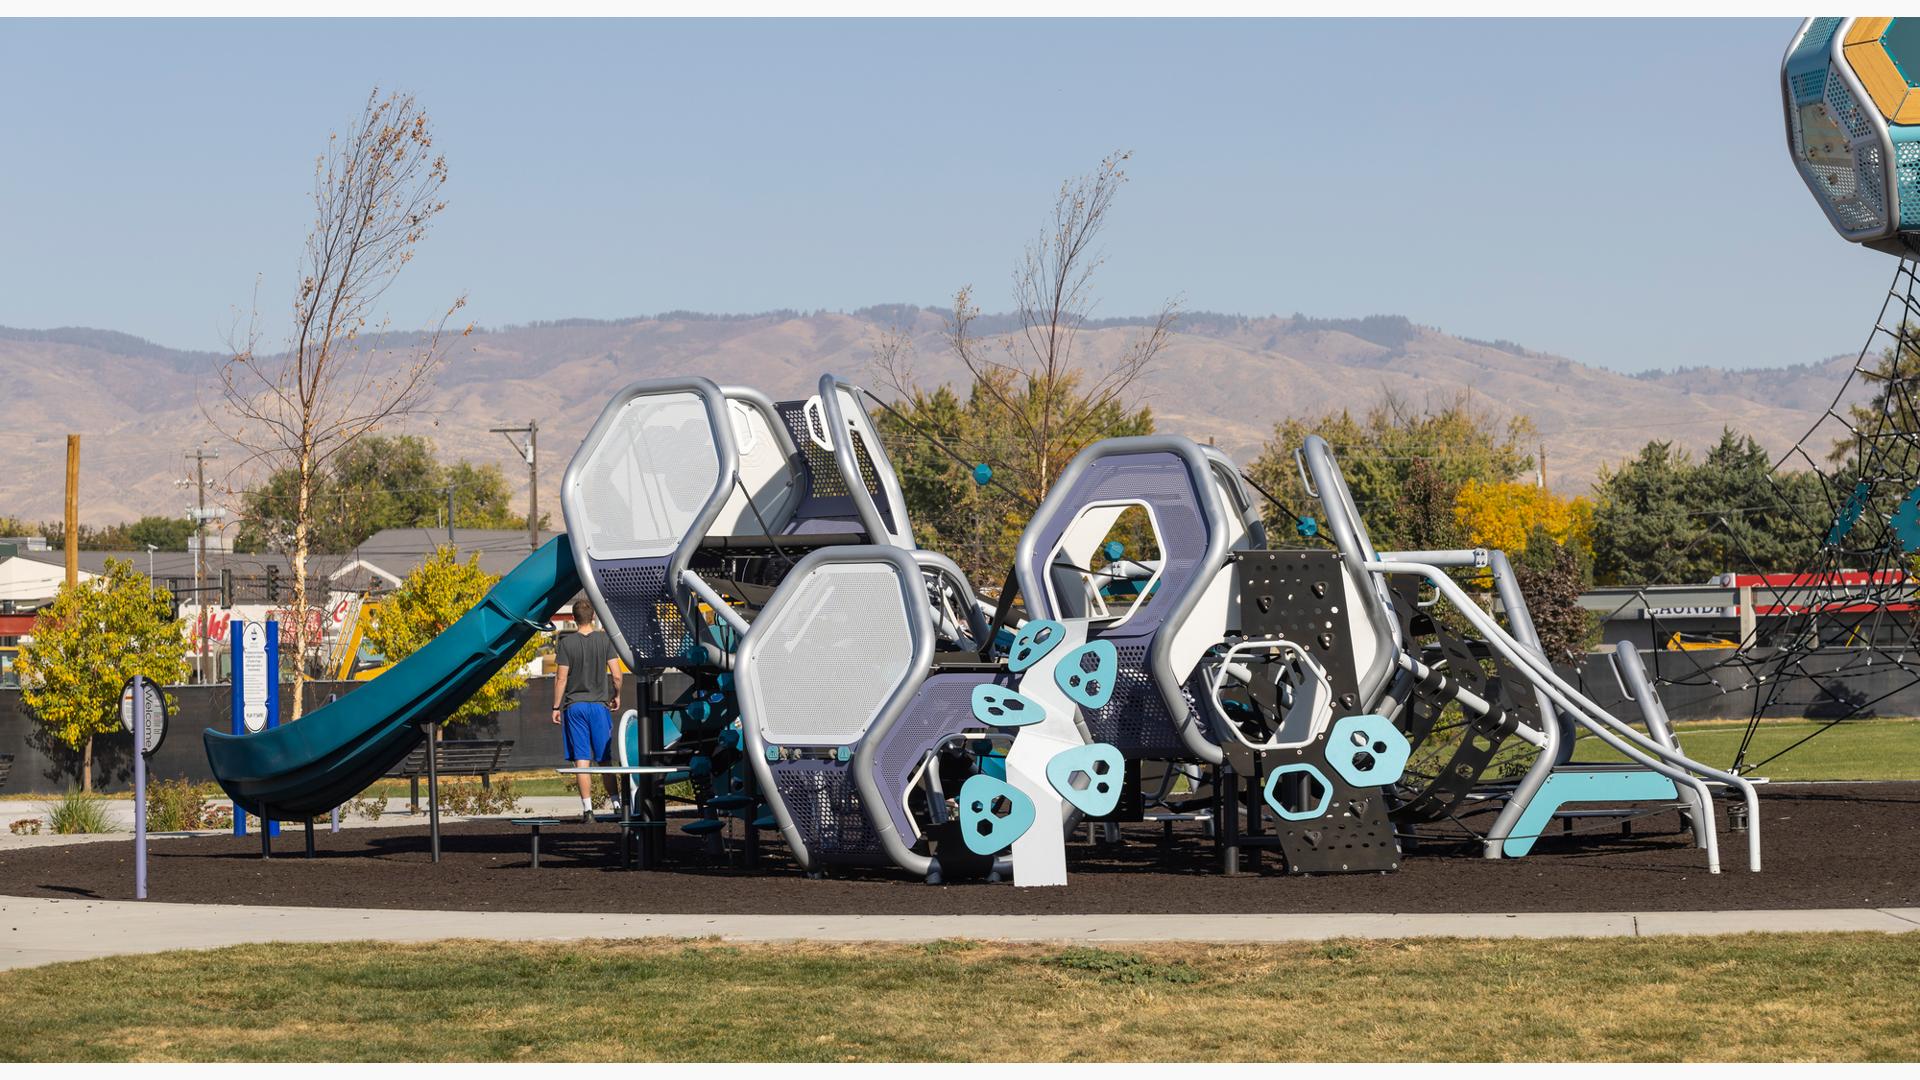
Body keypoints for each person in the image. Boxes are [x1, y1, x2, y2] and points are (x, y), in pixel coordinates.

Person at [552, 598, 622, 822]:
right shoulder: (605, 640)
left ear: (573, 619)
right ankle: (617, 806)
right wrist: (616, 694)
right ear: (593, 617)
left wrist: (555, 706)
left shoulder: (566, 644)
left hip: (575, 706)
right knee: (604, 758)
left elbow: (561, 678)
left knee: (582, 760)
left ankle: (588, 810)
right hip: (599, 706)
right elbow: (617, 674)